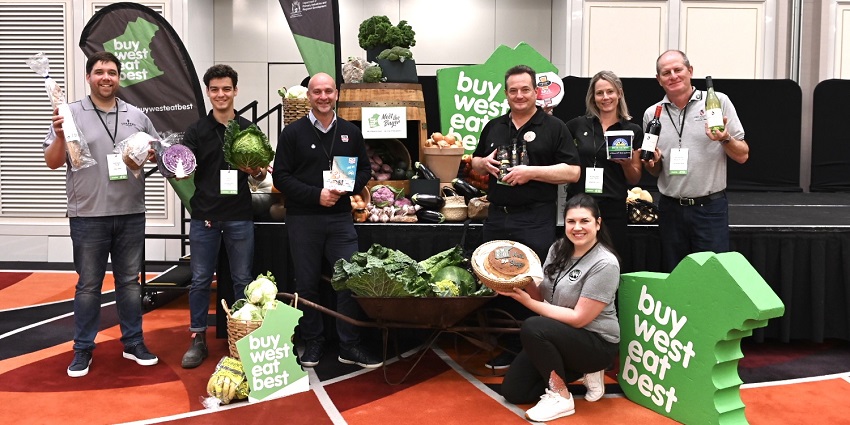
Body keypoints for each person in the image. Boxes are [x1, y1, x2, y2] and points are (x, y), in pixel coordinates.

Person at [44, 51, 159, 378]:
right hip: (87, 215)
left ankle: (133, 342)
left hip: (131, 213)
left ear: (119, 77)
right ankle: (82, 349)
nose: (105, 77)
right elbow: (52, 162)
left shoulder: (137, 116)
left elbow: (151, 156)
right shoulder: (68, 114)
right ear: (88, 77)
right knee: (89, 286)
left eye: (111, 72)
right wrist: (62, 136)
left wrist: (150, 154)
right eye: (99, 72)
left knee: (130, 285)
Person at [471, 64, 581, 369]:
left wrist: (531, 172)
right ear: (506, 94)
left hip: (534, 218)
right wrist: (484, 163)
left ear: (535, 92)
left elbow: (572, 171)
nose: (519, 95)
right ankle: (507, 346)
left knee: (532, 283)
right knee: (498, 281)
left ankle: (532, 347)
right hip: (497, 217)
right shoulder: (493, 126)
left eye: (525, 89)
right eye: (513, 90)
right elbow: (475, 162)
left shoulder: (554, 127)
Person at [272, 72, 382, 369]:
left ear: (336, 95)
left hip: (340, 221)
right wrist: (315, 195)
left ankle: (349, 345)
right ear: (308, 96)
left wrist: (345, 188)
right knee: (306, 285)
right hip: (303, 219)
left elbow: (364, 172)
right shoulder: (292, 133)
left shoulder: (350, 131)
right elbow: (281, 177)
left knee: (348, 281)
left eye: (328, 91)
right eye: (317, 92)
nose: (323, 97)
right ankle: (314, 340)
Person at [497, 194, 620, 422]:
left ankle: (561, 396)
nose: (577, 227)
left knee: (534, 327)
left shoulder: (605, 263)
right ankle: (582, 372)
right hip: (562, 336)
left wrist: (529, 303)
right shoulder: (559, 248)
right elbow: (542, 293)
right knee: (514, 392)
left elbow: (579, 319)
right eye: (571, 221)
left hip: (596, 342)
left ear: (598, 223)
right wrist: (517, 278)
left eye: (585, 221)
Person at [180, 64, 265, 369]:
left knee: (242, 279)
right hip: (204, 216)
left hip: (239, 216)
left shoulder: (248, 129)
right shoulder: (197, 131)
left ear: (235, 91)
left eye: (226, 89)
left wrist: (256, 170)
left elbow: (259, 176)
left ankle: (242, 337)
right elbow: (182, 165)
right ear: (208, 92)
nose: (220, 94)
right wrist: (172, 161)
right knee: (201, 280)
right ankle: (198, 338)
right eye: (214, 89)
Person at [642, 50, 748, 272]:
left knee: (712, 277)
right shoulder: (652, 114)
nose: (673, 76)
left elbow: (742, 154)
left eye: (678, 70)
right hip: (670, 210)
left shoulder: (717, 102)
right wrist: (653, 164)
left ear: (690, 71)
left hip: (709, 209)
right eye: (666, 72)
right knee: (675, 275)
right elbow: (655, 171)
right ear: (658, 79)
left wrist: (725, 138)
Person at [566, 70, 643, 272]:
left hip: (613, 208)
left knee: (612, 263)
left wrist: (626, 163)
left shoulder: (632, 130)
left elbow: (634, 178)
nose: (605, 97)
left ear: (619, 93)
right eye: (600, 93)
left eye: (610, 92)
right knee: (578, 262)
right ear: (593, 96)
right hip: (580, 206)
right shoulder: (577, 125)